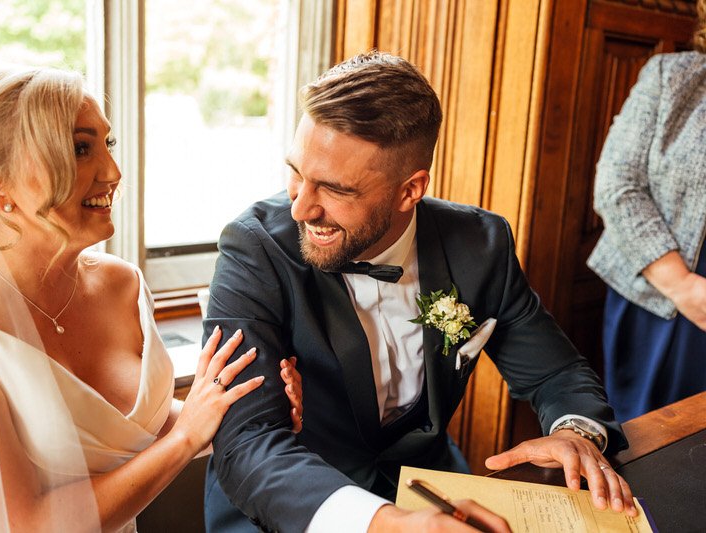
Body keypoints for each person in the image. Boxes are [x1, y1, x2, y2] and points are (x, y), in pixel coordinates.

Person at [202, 51, 638, 533]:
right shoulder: (253, 247)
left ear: (410, 190)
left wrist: (576, 432)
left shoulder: (481, 244)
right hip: (290, 507)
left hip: (429, 490)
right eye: (296, 173)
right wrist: (383, 523)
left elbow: (555, 370)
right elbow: (247, 440)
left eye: (335, 190)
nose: (302, 208)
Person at [0, 66, 303, 532]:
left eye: (106, 144)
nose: (113, 172)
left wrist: (249, 408)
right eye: (79, 149)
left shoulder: (123, 285)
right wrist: (188, 436)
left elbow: (135, 428)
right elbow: (24, 524)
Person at [587, 1, 706, 423]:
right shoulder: (673, 77)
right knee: (653, 441)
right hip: (662, 294)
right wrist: (686, 287)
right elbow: (617, 185)